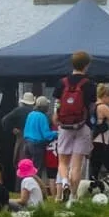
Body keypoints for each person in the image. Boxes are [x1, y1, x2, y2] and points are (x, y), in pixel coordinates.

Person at [51, 51, 98, 203]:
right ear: (87, 65)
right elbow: (92, 107)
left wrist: (56, 117)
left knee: (63, 161)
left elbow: (57, 103)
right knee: (77, 164)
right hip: (82, 125)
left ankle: (64, 182)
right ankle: (73, 196)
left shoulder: (62, 82)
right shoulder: (90, 84)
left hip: (64, 126)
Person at [0, 89, 34, 189]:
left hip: (21, 137)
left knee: (20, 161)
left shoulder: (19, 110)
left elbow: (4, 120)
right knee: (30, 162)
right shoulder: (34, 111)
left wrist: (12, 129)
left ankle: (19, 186)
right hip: (33, 138)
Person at [21, 95, 56, 178]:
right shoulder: (42, 116)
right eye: (47, 106)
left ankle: (26, 186)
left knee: (27, 169)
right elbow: (46, 135)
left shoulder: (31, 114)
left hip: (26, 144)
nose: (48, 108)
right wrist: (57, 133)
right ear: (44, 107)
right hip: (36, 145)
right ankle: (35, 187)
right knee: (36, 169)